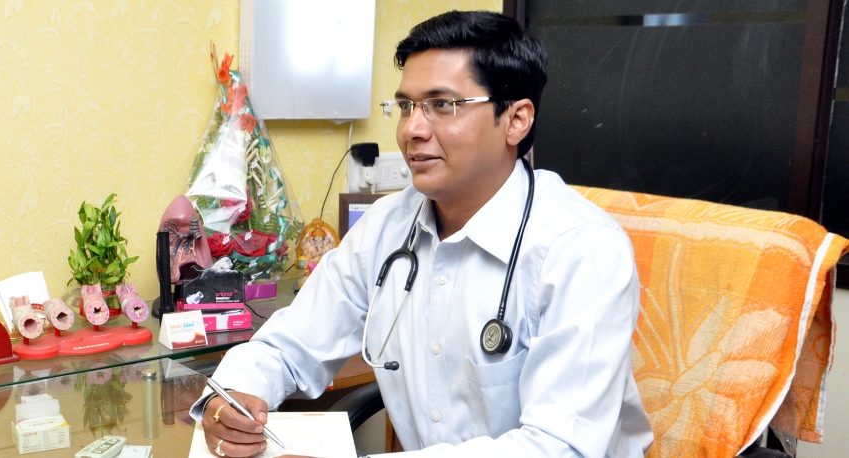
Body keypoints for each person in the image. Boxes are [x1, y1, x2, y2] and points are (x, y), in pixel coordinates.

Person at [191, 10, 653, 457]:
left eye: (442, 105)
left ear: (516, 120)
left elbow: (559, 447)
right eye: (406, 106)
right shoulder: (386, 227)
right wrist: (231, 397)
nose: (411, 129)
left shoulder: (581, 249)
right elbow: (291, 344)